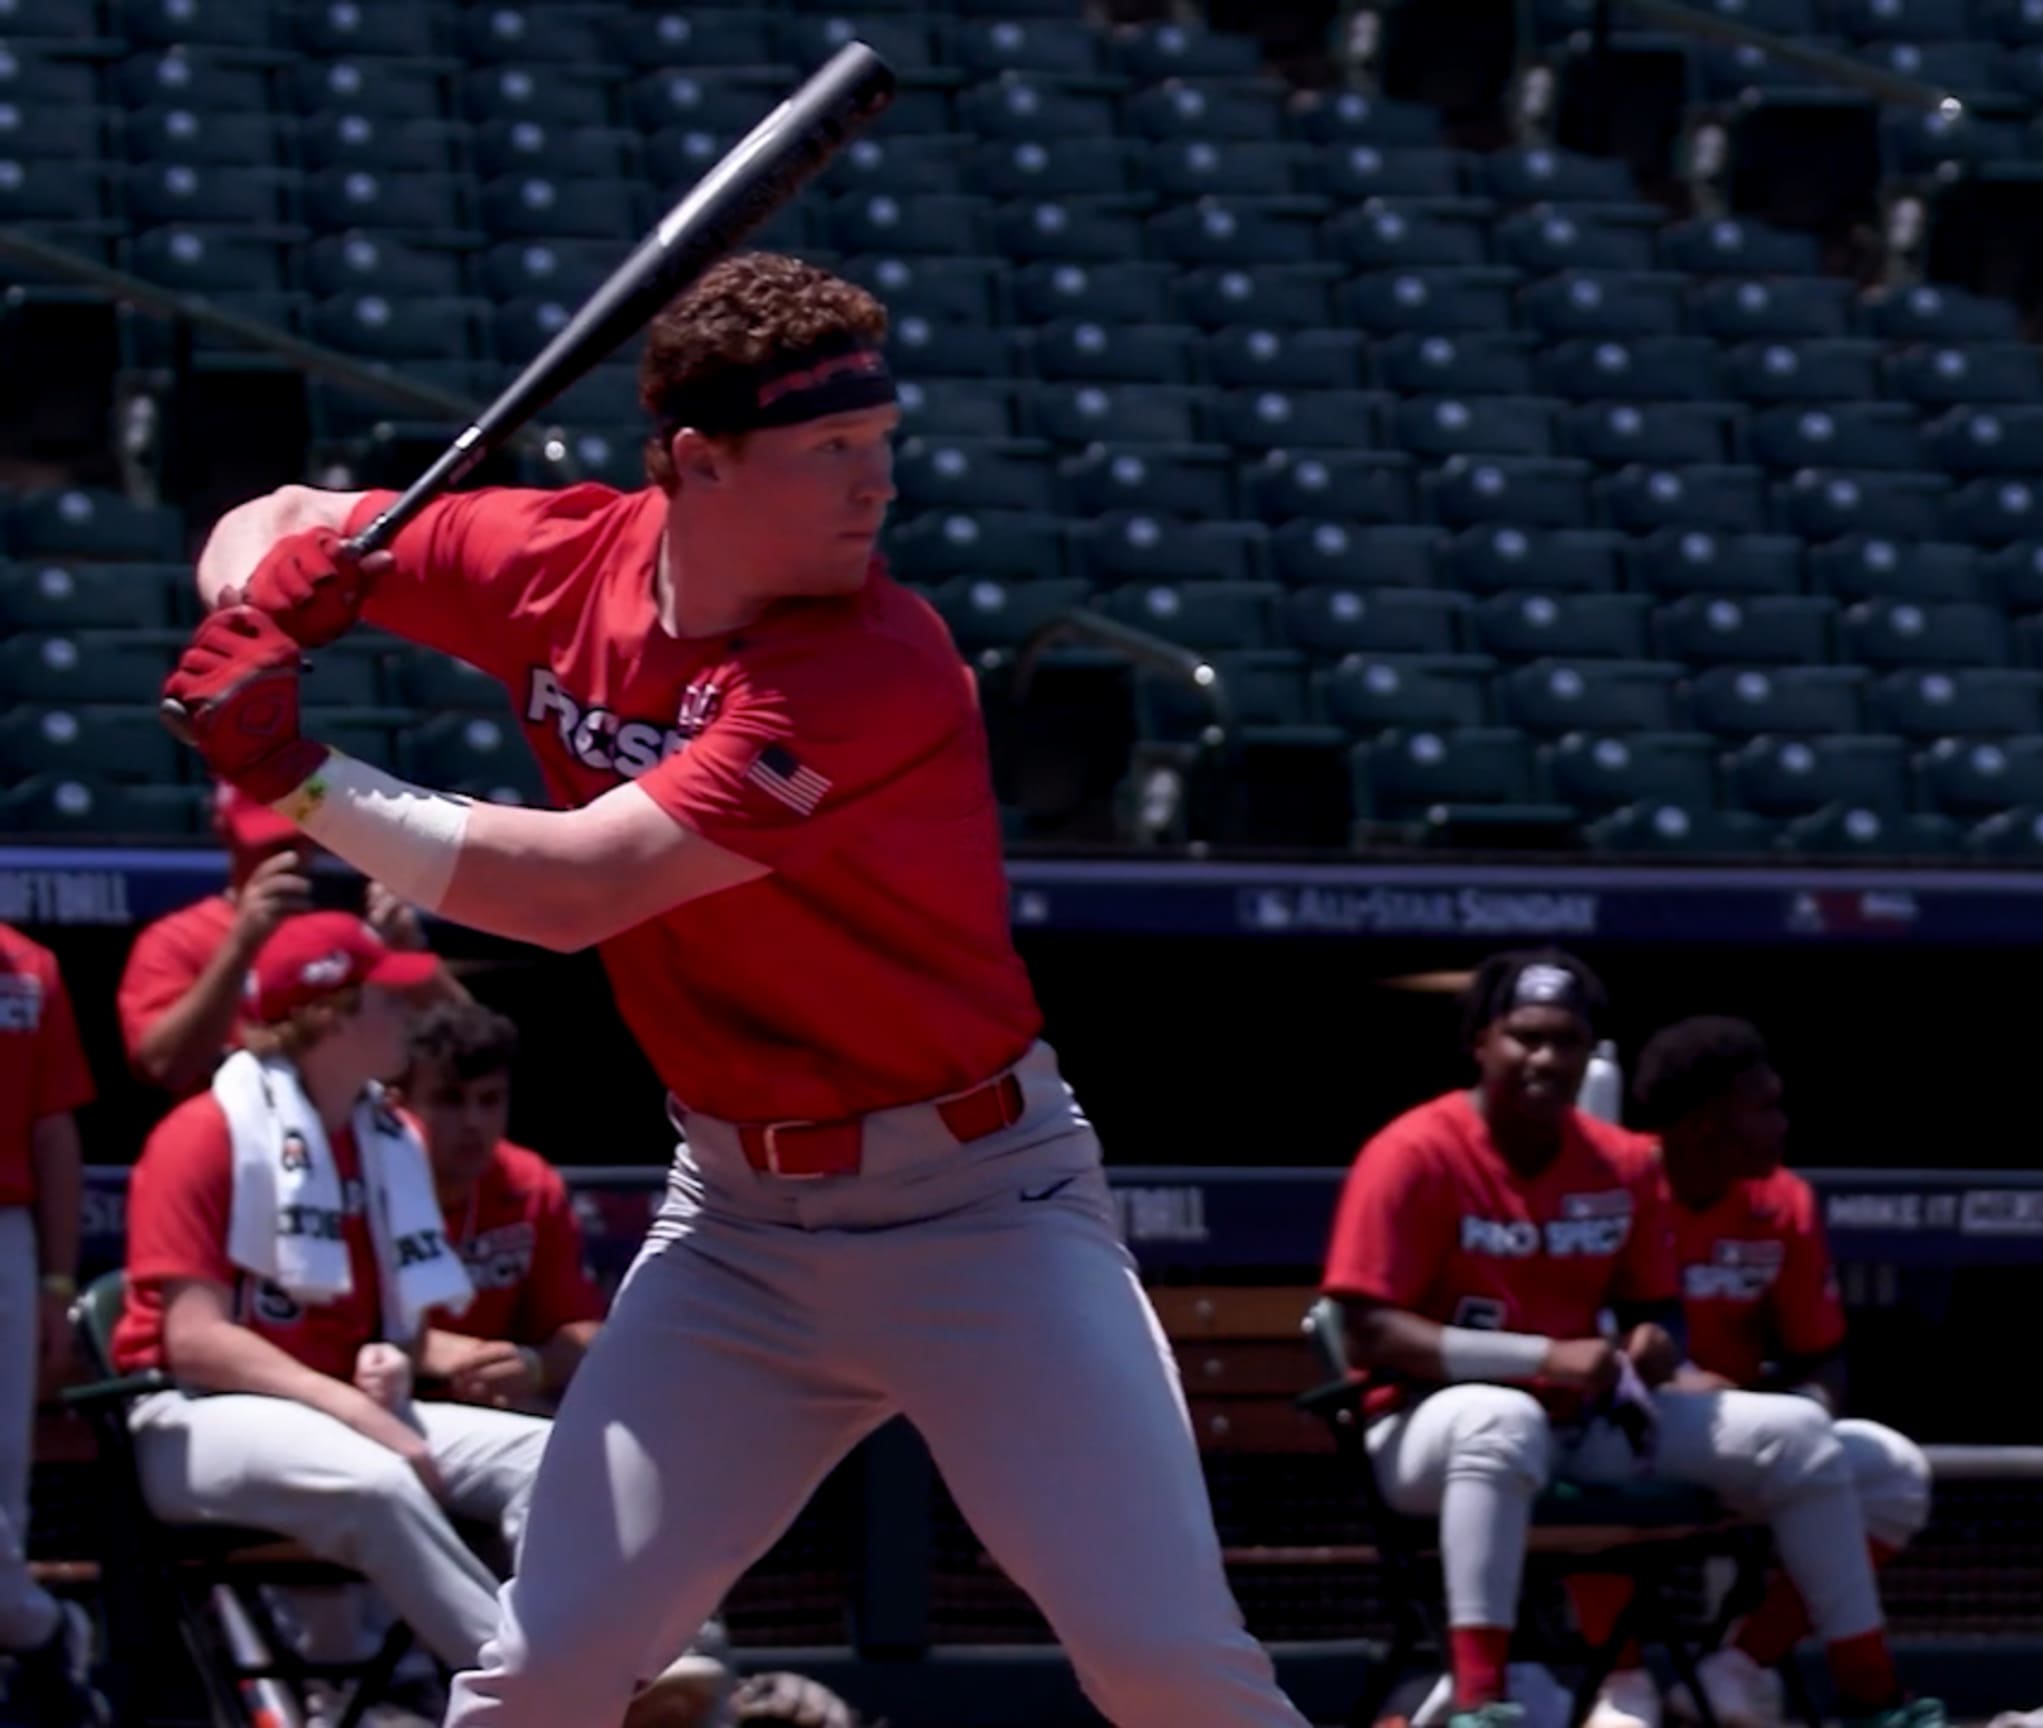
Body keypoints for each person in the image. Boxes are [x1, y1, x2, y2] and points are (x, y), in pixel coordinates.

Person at [160, 251, 1308, 1728]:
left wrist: (293, 771)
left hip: (981, 1209)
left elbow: (576, 890)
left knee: (1165, 1666)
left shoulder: (878, 663)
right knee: (547, 1671)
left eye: (881, 442)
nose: (875, 484)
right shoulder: (557, 557)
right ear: (697, 462)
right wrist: (263, 584)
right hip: (739, 1232)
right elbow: (269, 521)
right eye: (831, 449)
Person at [1320, 951, 1944, 1728]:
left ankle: (1870, 1694)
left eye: (1569, 1040)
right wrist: (1538, 1358)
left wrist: (1654, 1344)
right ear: (1481, 1042)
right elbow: (1367, 1329)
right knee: (1497, 1418)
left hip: (1578, 1424)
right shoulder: (1415, 1151)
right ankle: (1484, 1701)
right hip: (1425, 1430)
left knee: (1799, 1432)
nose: (1548, 1059)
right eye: (1527, 1037)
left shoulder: (1617, 1162)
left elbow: (1657, 1309)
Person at [109, 913, 553, 1681]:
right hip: (186, 1419)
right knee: (372, 1481)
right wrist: (352, 1407)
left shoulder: (380, 1138)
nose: (411, 1017)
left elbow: (387, 1330)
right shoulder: (207, 1131)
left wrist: (387, 1358)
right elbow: (196, 1339)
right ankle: (539, 1697)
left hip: (333, 1407)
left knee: (551, 1456)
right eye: (388, 999)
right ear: (331, 1015)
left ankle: (599, 1658)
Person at [1567, 1015, 1934, 1728]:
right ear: (1706, 1122)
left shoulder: (1782, 1202)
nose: (1782, 1125)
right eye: (1763, 1108)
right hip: (1627, 1429)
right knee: (1593, 1474)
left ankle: (1738, 1668)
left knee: (1893, 1472)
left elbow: (1821, 1358)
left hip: (1745, 1435)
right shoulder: (1618, 1182)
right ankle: (1624, 1683)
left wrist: (1801, 1424)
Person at [118, 784, 455, 1097]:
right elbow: (163, 1067)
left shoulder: (346, 932)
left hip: (346, 1140)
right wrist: (241, 945)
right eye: (271, 843)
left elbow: (468, 1046)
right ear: (224, 829)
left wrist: (408, 952)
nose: (291, 856)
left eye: (301, 838)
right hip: (233, 1144)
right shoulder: (176, 939)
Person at [395, 1002, 605, 1414]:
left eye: (489, 1100)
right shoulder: (361, 1183)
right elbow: (328, 1336)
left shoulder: (530, 1185)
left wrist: (536, 1366)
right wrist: (447, 1352)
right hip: (384, 1402)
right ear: (398, 1104)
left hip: (495, 1407)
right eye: (449, 1100)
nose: (473, 1121)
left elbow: (586, 1333)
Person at [0, 920, 102, 1726]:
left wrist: (58, 1280)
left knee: (5, 1485)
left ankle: (26, 1650)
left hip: (7, 1228)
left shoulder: (28, 970)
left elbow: (52, 1132)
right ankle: (39, 1631)